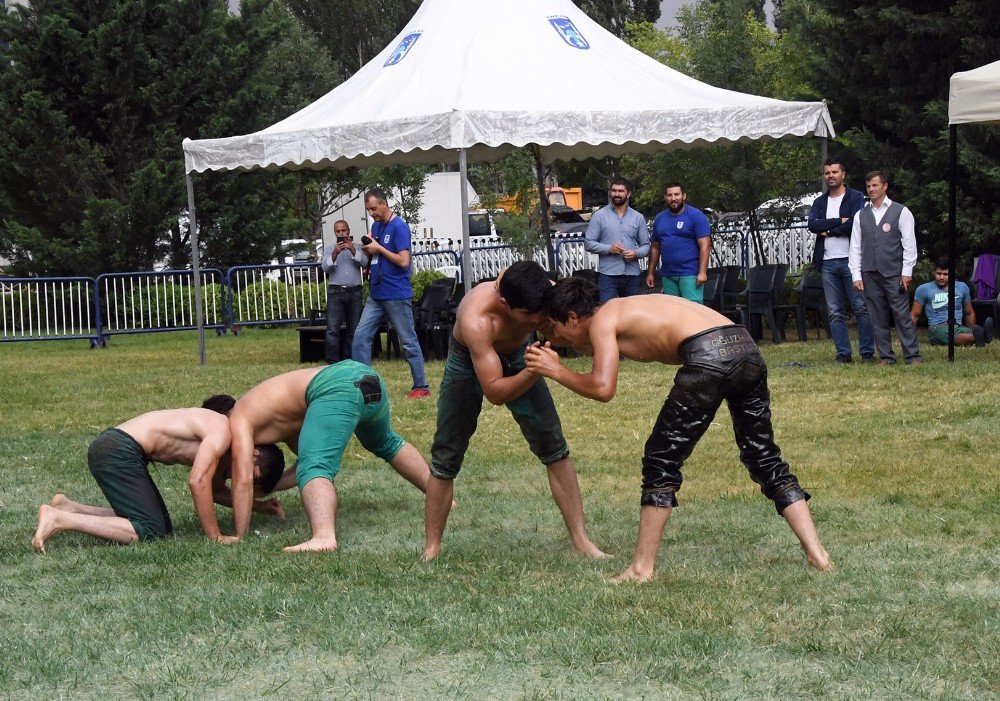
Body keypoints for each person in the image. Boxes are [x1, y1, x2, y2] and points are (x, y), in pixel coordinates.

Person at [524, 277, 831, 582]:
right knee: (763, 455)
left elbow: (603, 389)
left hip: (709, 355)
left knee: (661, 459)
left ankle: (641, 569)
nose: (551, 335)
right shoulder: (620, 309)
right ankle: (818, 556)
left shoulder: (604, 318)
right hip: (745, 347)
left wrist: (557, 371)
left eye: (552, 326)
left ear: (574, 316)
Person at [423, 261, 607, 562]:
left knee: (553, 445)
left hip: (521, 351)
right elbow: (495, 391)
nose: (538, 319)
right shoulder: (477, 320)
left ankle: (581, 540)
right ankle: (432, 547)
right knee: (447, 451)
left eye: (541, 312)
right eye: (531, 315)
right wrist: (537, 371)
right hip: (470, 358)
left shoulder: (537, 289)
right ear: (505, 303)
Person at [227, 361, 435, 552]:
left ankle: (324, 537)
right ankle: (439, 497)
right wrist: (275, 485)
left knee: (315, 467)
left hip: (334, 386)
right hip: (363, 374)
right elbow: (303, 459)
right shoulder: (278, 417)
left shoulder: (238, 418)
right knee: (385, 441)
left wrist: (239, 535)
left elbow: (243, 479)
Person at [32, 407, 286, 553]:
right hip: (118, 449)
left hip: (120, 448)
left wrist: (258, 506)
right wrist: (215, 536)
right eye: (249, 477)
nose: (239, 479)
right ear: (254, 452)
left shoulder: (225, 450)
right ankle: (60, 519)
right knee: (151, 531)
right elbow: (198, 482)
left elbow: (216, 491)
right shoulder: (222, 430)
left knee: (160, 525)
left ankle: (69, 507)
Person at [351, 188, 430, 399]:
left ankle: (421, 386)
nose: (371, 213)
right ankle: (363, 384)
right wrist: (367, 251)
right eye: (368, 210)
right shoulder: (376, 226)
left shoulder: (399, 227)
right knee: (361, 335)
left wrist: (379, 249)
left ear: (384, 203)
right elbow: (374, 256)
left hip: (396, 293)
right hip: (376, 292)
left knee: (408, 341)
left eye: (374, 208)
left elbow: (404, 262)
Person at [849, 171, 922, 365]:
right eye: (868, 186)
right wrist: (856, 274)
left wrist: (907, 271)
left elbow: (909, 244)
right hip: (869, 272)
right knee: (876, 315)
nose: (871, 189)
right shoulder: (860, 215)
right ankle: (886, 356)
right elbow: (855, 247)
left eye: (875, 185)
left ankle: (912, 355)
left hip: (893, 272)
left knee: (901, 314)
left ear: (885, 186)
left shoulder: (901, 211)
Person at [807, 158, 874, 363]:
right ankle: (843, 354)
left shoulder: (855, 197)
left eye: (834, 172)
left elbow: (855, 223)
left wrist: (828, 230)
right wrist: (838, 222)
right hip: (827, 262)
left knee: (861, 307)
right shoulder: (820, 202)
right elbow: (812, 225)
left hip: (851, 261)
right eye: (827, 173)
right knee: (835, 311)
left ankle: (867, 352)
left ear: (843, 174)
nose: (830, 176)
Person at [584, 177, 650, 302]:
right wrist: (609, 249)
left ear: (628, 194)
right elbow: (588, 243)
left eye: (621, 191)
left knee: (632, 315)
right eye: (614, 191)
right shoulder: (599, 216)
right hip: (608, 275)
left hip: (632, 274)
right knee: (607, 314)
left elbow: (646, 245)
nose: (617, 194)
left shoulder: (638, 217)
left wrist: (636, 253)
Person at [646, 183, 711, 303]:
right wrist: (650, 273)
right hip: (668, 274)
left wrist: (702, 272)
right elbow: (655, 247)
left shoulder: (696, 216)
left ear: (684, 196)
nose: (673, 198)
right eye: (670, 195)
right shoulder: (660, 218)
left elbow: (705, 245)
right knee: (672, 313)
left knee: (693, 311)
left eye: (677, 194)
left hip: (690, 273)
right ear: (665, 197)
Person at [911, 257, 994, 347]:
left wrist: (971, 330)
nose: (941, 277)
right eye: (939, 274)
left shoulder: (962, 287)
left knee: (964, 333)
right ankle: (980, 336)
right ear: (934, 272)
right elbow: (914, 315)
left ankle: (976, 337)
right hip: (937, 329)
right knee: (951, 334)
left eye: (945, 274)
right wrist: (908, 338)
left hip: (958, 327)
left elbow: (969, 313)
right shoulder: (924, 289)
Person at [322, 219, 368, 363]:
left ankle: (350, 359)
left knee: (353, 329)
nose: (341, 233)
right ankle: (332, 362)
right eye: (338, 231)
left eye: (344, 230)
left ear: (348, 231)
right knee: (332, 329)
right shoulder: (330, 249)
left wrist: (352, 250)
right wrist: (335, 253)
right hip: (336, 292)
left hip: (355, 292)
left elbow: (365, 263)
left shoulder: (357, 247)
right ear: (335, 233)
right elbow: (325, 268)